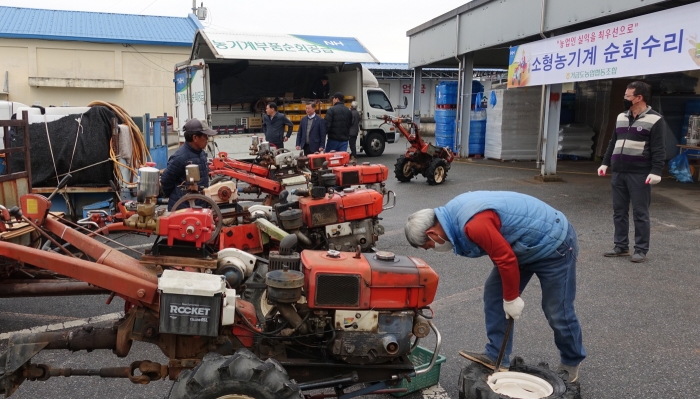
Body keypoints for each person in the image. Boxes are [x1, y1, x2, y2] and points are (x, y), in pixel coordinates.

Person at [405, 191, 586, 382]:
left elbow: (505, 258)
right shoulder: (450, 217)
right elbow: (498, 248)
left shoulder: (473, 224)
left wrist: (511, 298)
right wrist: (507, 294)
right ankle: (496, 354)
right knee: (494, 295)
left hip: (553, 243)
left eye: (428, 246)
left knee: (557, 310)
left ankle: (570, 361)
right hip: (522, 246)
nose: (432, 249)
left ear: (432, 234)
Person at [598, 81, 665, 263]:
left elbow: (659, 148)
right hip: (619, 172)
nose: (625, 99)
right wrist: (605, 163)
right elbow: (613, 142)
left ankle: (641, 249)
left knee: (640, 212)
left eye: (628, 96)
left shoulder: (655, 119)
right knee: (619, 211)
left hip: (640, 174)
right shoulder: (621, 117)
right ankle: (621, 246)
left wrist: (656, 170)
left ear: (639, 98)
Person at [160, 119, 216, 211]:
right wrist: (178, 195)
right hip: (183, 209)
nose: (207, 139)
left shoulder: (201, 153)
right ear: (195, 138)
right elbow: (166, 182)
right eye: (205, 136)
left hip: (199, 206)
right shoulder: (180, 157)